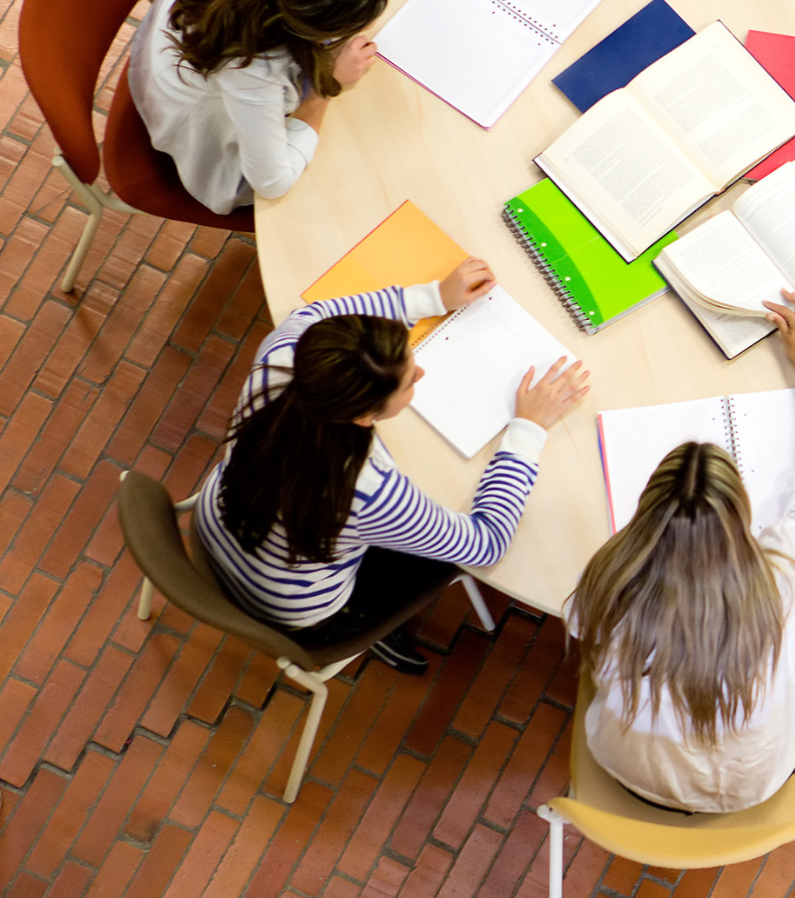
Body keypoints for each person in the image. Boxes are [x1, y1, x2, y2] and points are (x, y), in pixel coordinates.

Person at [196, 263, 589, 674]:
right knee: (446, 554)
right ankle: (378, 631)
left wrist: (434, 297)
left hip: (221, 524)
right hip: (300, 612)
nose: (421, 371)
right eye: (409, 382)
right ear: (365, 416)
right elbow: (487, 543)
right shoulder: (367, 488)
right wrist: (527, 428)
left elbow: (313, 316)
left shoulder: (284, 356)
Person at [567, 291, 795, 813]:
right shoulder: (774, 579)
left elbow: (586, 626)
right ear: (741, 519)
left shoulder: (604, 584)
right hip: (753, 784)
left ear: (647, 513)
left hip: (625, 768)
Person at [129, 0, 390, 216]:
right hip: (194, 117)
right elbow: (272, 182)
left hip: (176, 36)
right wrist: (324, 90)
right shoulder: (252, 72)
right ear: (313, 33)